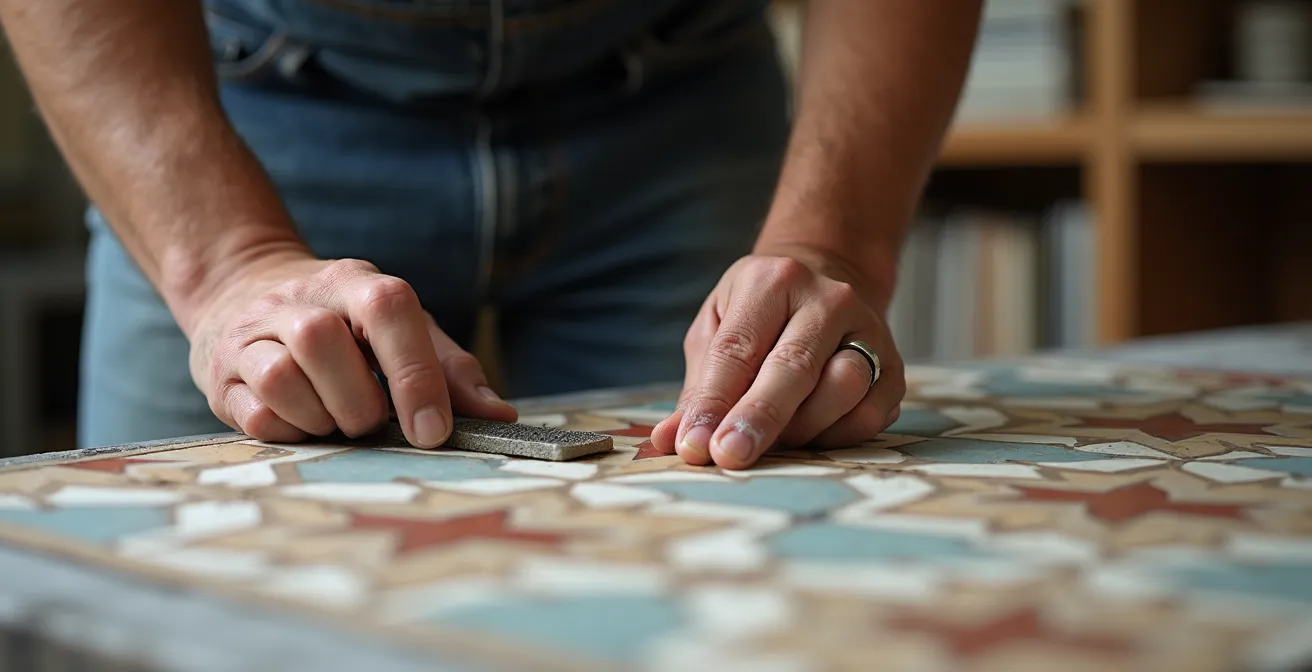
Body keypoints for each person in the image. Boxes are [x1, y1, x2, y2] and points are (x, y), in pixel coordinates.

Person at [0, 0, 981, 470]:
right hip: (244, 109)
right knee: (181, 619)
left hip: (678, 98)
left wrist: (836, 244)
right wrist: (228, 265)